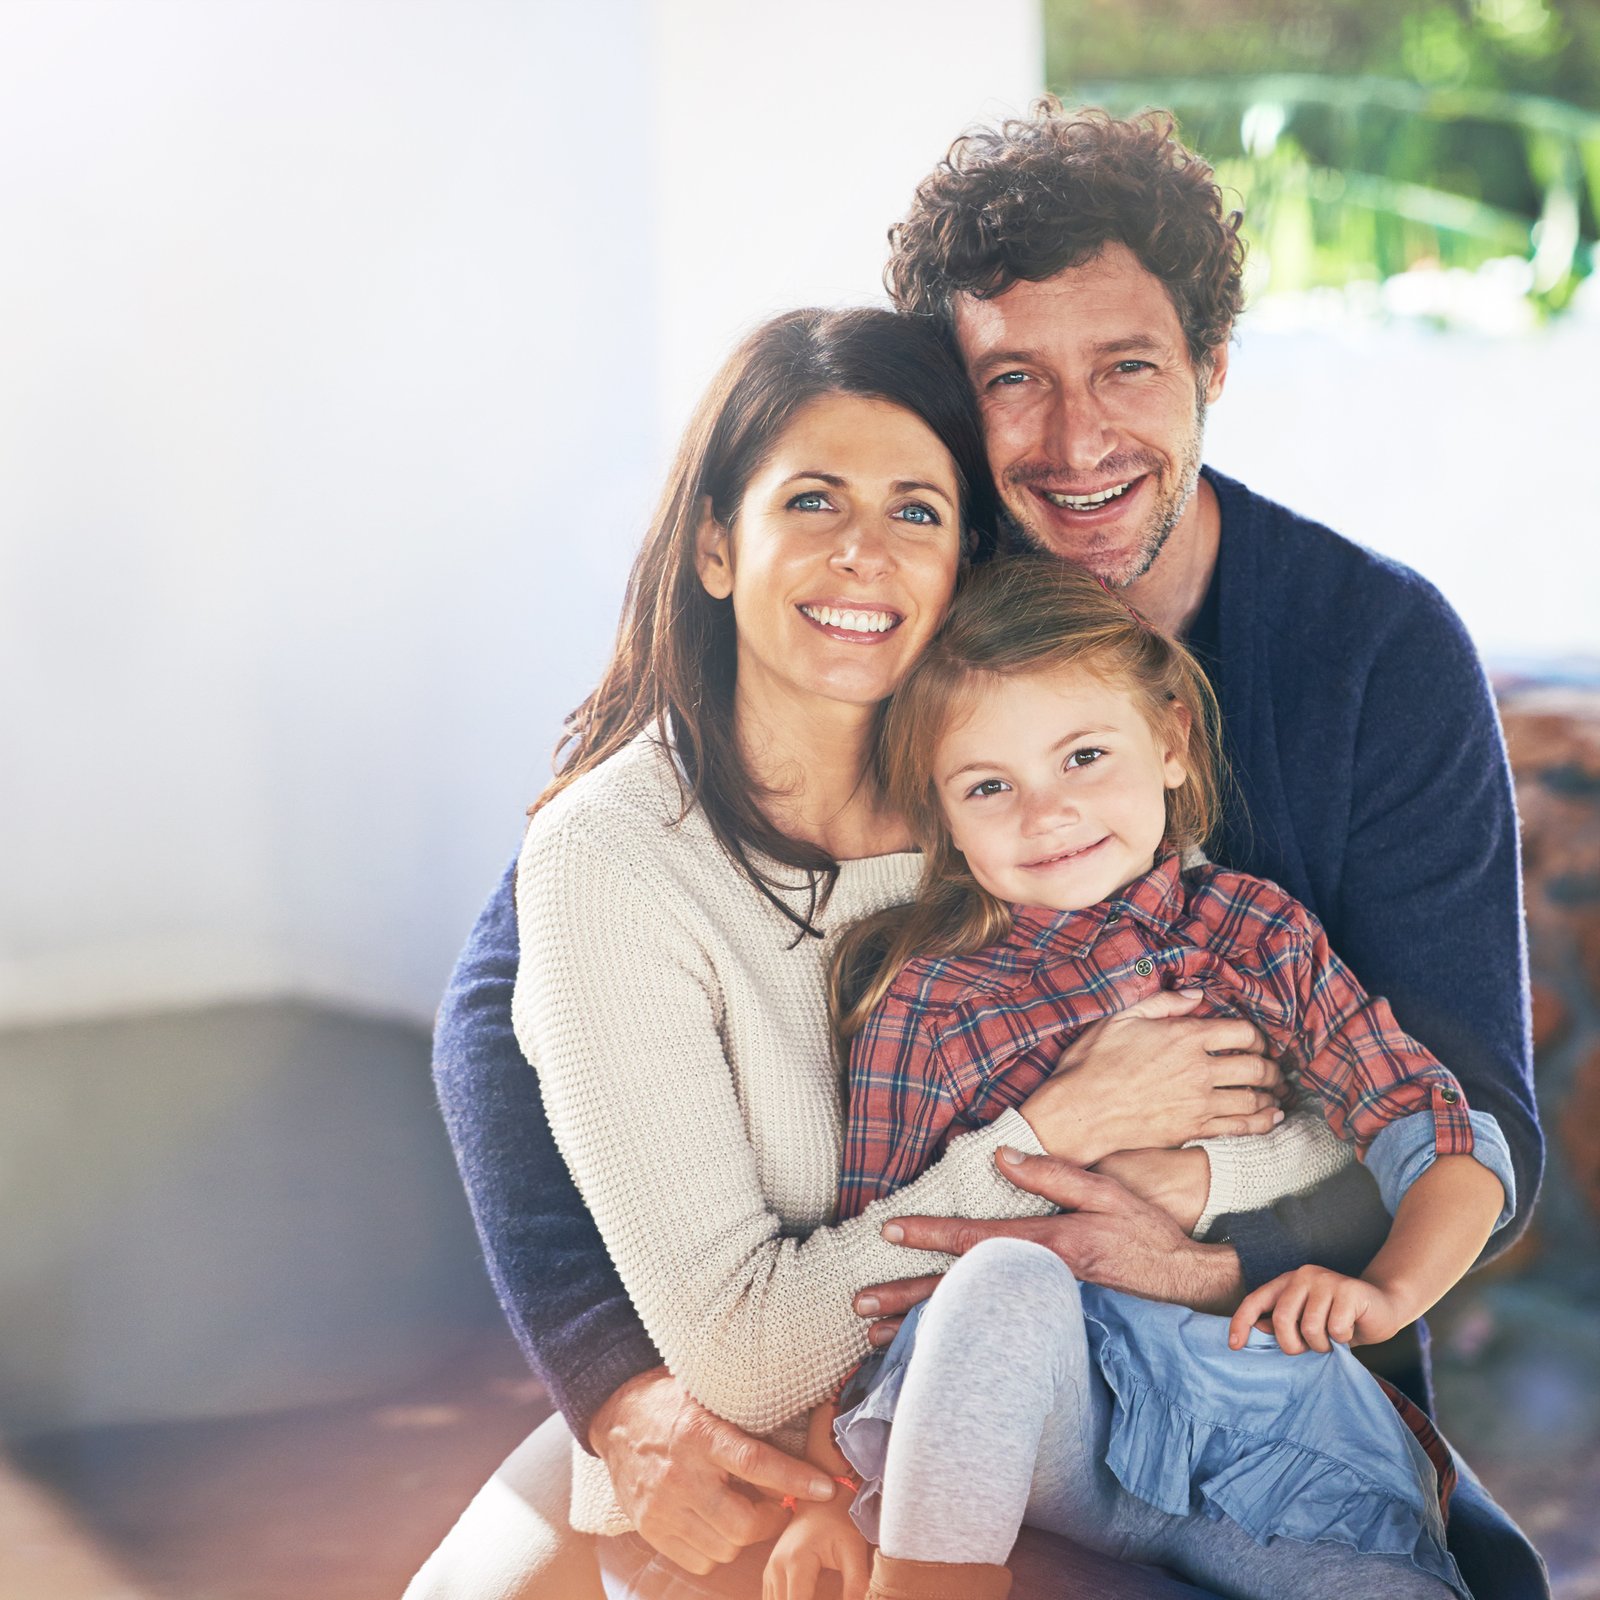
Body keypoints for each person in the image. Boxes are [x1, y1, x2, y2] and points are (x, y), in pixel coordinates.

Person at [409, 105, 1545, 1599]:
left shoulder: (1373, 654)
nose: (1075, 444)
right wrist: (615, 1385)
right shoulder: (923, 597)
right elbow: (506, 1000)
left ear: (1213, 365)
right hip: (905, 1361)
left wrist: (1204, 1241)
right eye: (1016, 381)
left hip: (1252, 1375)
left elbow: (1468, 1120)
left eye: (1129, 367)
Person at [765, 556, 1515, 1600]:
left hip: (1260, 1429)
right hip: (1049, 1429)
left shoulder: (1255, 934)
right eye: (989, 786)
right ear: (940, 815)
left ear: (1169, 741)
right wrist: (820, 1494)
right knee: (997, 1283)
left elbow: (1434, 1128)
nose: (1046, 812)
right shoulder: (928, 1005)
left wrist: (1385, 1290)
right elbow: (871, 1294)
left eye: (1082, 755)